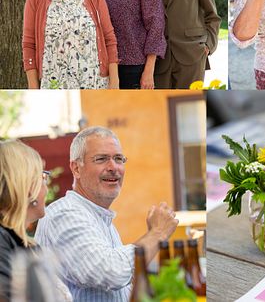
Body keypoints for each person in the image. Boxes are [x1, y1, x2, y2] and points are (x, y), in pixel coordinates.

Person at [35, 127, 179, 301]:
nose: (113, 167)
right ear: (76, 168)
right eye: (101, 159)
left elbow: (119, 287)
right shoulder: (65, 215)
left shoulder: (97, 216)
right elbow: (111, 272)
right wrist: (157, 233)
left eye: (118, 159)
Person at [0, 140, 72, 301]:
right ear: (25, 184)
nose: (46, 187)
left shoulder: (28, 245)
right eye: (42, 177)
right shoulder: (2, 242)